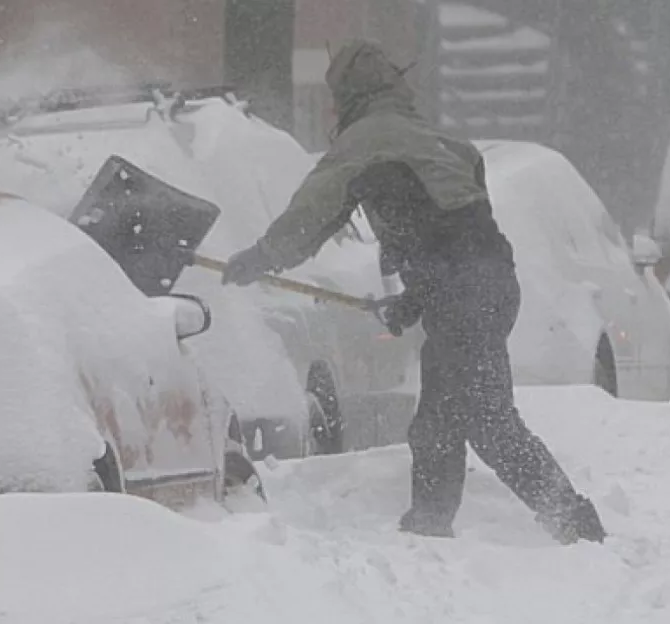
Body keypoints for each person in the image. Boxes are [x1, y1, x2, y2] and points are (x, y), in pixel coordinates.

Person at [220, 38, 606, 544]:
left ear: (351, 94)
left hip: (463, 292)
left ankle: (573, 522)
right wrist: (417, 298)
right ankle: (429, 526)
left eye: (335, 96)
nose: (333, 108)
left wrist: (261, 257)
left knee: (487, 421)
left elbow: (313, 212)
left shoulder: (366, 141)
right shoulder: (444, 142)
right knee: (440, 422)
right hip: (489, 285)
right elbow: (464, 233)